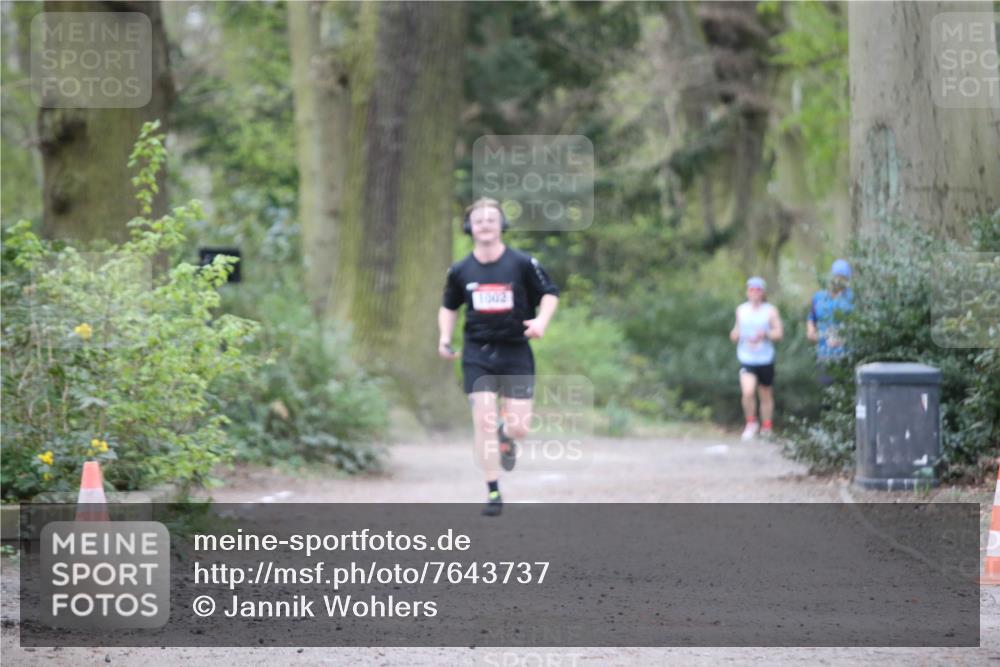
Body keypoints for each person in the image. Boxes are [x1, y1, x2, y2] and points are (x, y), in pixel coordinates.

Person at [438, 198, 560, 516]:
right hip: (478, 351)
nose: (485, 224)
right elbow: (449, 306)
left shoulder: (521, 263)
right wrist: (444, 338)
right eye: (479, 220)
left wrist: (541, 322)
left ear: (502, 225)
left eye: (492, 219)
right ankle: (493, 491)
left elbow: (549, 293)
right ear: (470, 228)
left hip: (516, 349)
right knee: (483, 419)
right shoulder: (461, 270)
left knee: (520, 427)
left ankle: (508, 435)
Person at [729, 276, 783, 441]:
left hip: (765, 359)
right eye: (751, 289)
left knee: (765, 395)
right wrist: (735, 335)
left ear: (763, 293)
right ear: (747, 292)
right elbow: (735, 332)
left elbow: (779, 334)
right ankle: (751, 423)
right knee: (747, 392)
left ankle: (767, 426)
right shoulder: (741, 310)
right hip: (747, 358)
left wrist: (765, 334)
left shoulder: (770, 311)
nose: (754, 293)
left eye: (758, 290)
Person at [807, 259, 854, 386]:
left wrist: (844, 339)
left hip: (847, 356)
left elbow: (859, 326)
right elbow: (812, 318)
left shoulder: (853, 298)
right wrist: (813, 333)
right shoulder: (819, 297)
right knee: (827, 395)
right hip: (824, 355)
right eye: (836, 276)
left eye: (843, 277)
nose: (839, 280)